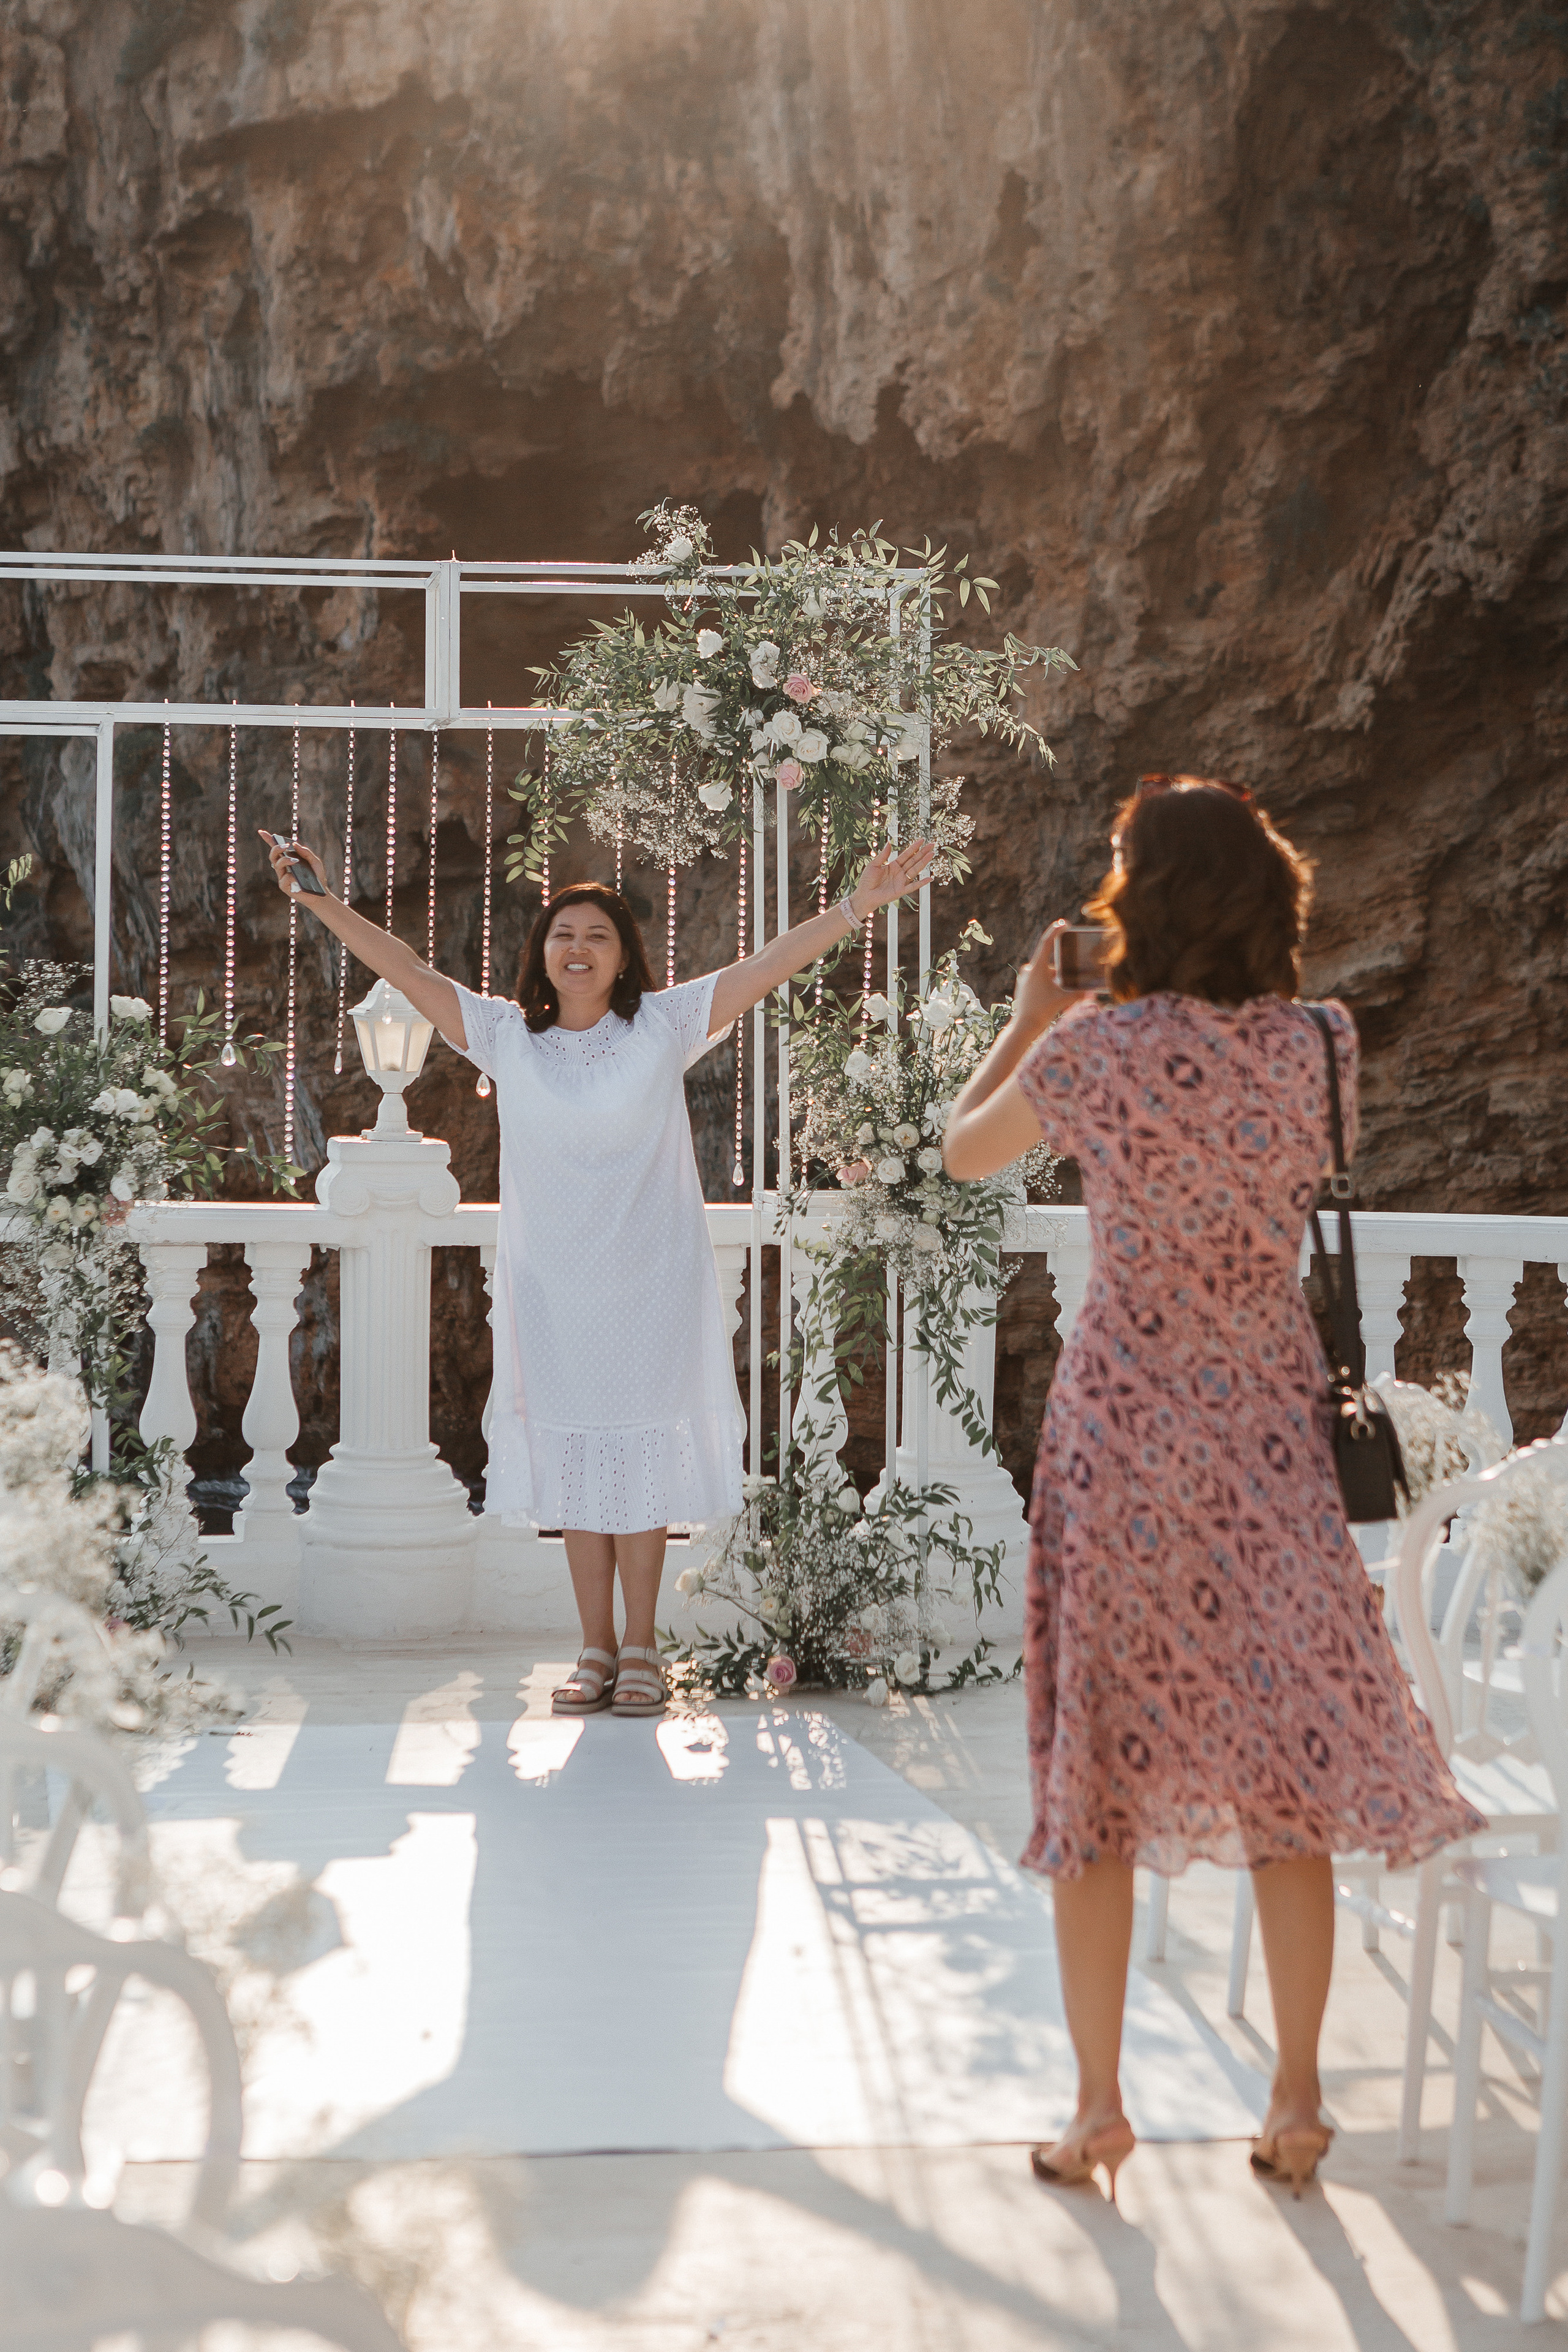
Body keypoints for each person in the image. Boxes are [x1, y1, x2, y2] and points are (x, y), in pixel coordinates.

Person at [943, 776, 1483, 2201]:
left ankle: (1096, 2111)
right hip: (1265, 1435)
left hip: (1120, 1430)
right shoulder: (1321, 1044)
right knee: (1282, 1768)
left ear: (1144, 898)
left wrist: (1031, 1014)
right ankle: (1294, 2099)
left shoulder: (1094, 1049)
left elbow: (960, 1153)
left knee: (1095, 1768)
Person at [262, 825, 932, 1718]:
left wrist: (858, 904)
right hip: (554, 1290)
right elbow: (410, 970)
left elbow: (768, 966)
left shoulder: (663, 1024)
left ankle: (643, 1645)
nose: (578, 948)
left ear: (624, 958)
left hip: (651, 1282)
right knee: (578, 1461)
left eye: (598, 936)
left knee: (640, 1460)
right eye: (563, 934)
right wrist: (321, 903)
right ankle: (593, 1647)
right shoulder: (506, 1036)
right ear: (542, 953)